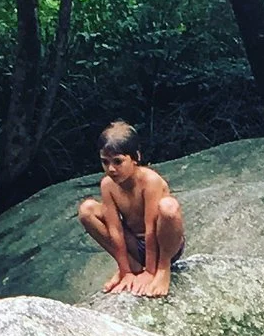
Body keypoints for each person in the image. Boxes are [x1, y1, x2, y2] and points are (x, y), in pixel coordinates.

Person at [77, 122, 184, 297]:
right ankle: (132, 267)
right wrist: (125, 270)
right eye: (105, 162)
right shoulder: (108, 185)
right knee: (87, 210)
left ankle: (163, 270)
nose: (111, 169)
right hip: (134, 245)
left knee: (169, 207)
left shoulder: (150, 181)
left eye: (118, 161)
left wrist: (150, 272)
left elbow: (150, 229)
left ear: (136, 157)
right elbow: (115, 230)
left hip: (164, 244)